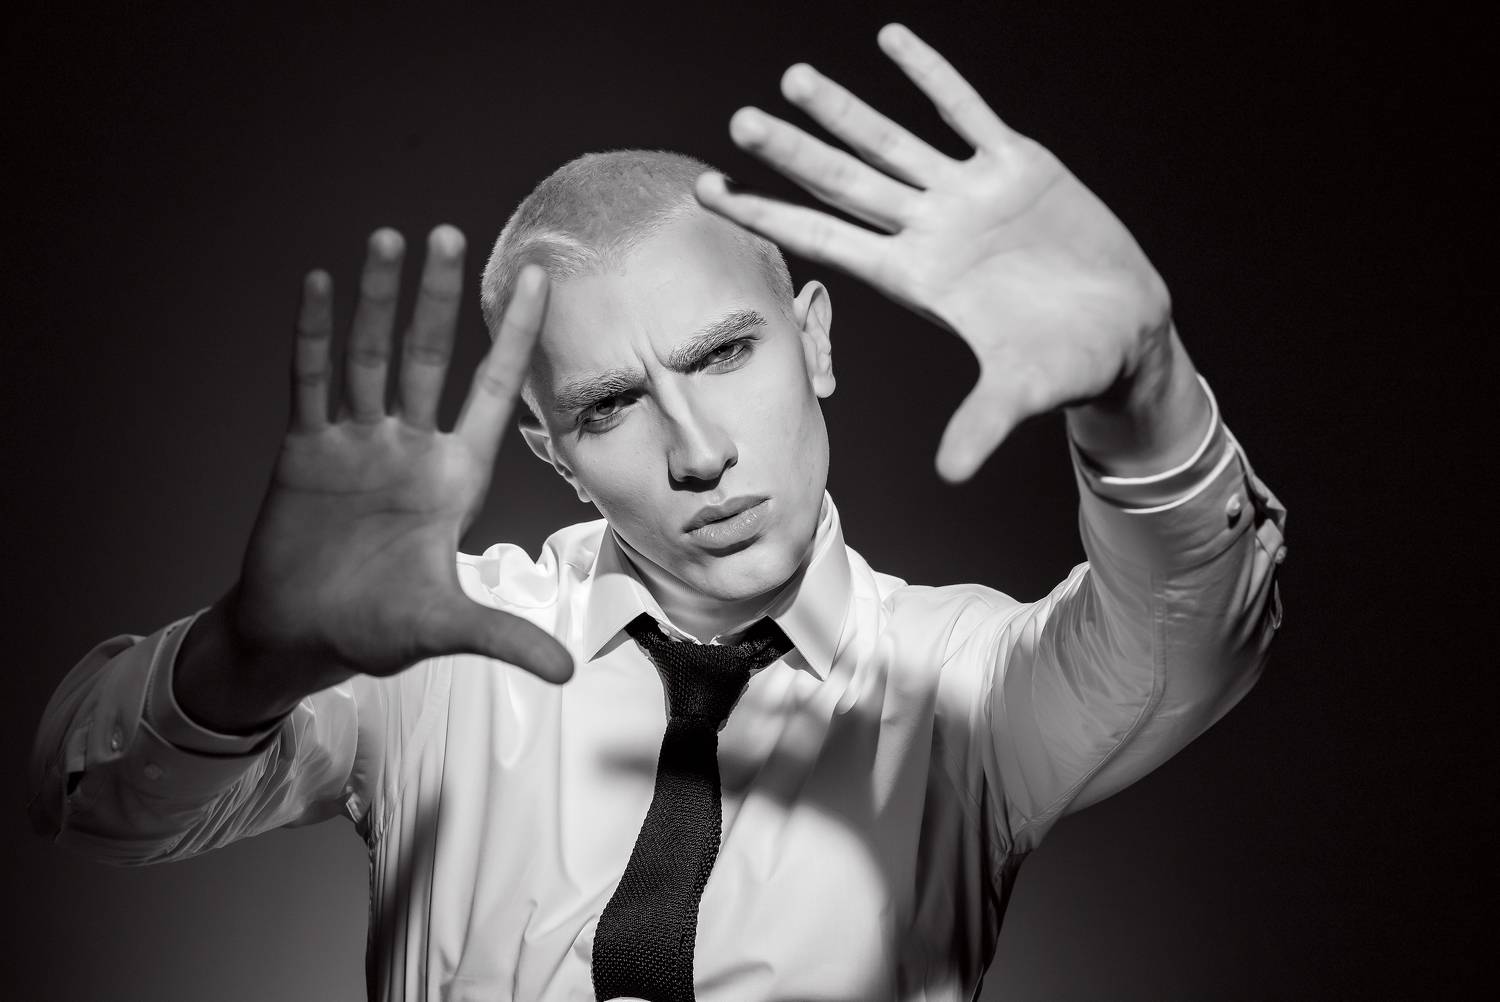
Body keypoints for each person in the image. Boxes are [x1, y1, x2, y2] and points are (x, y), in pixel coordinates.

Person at [28, 24, 1286, 1002]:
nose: (698, 451)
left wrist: (1144, 391)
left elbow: (1185, 634)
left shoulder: (959, 688)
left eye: (726, 354)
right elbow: (90, 798)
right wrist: (249, 655)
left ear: (814, 340)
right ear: (552, 452)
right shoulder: (441, 645)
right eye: (612, 405)